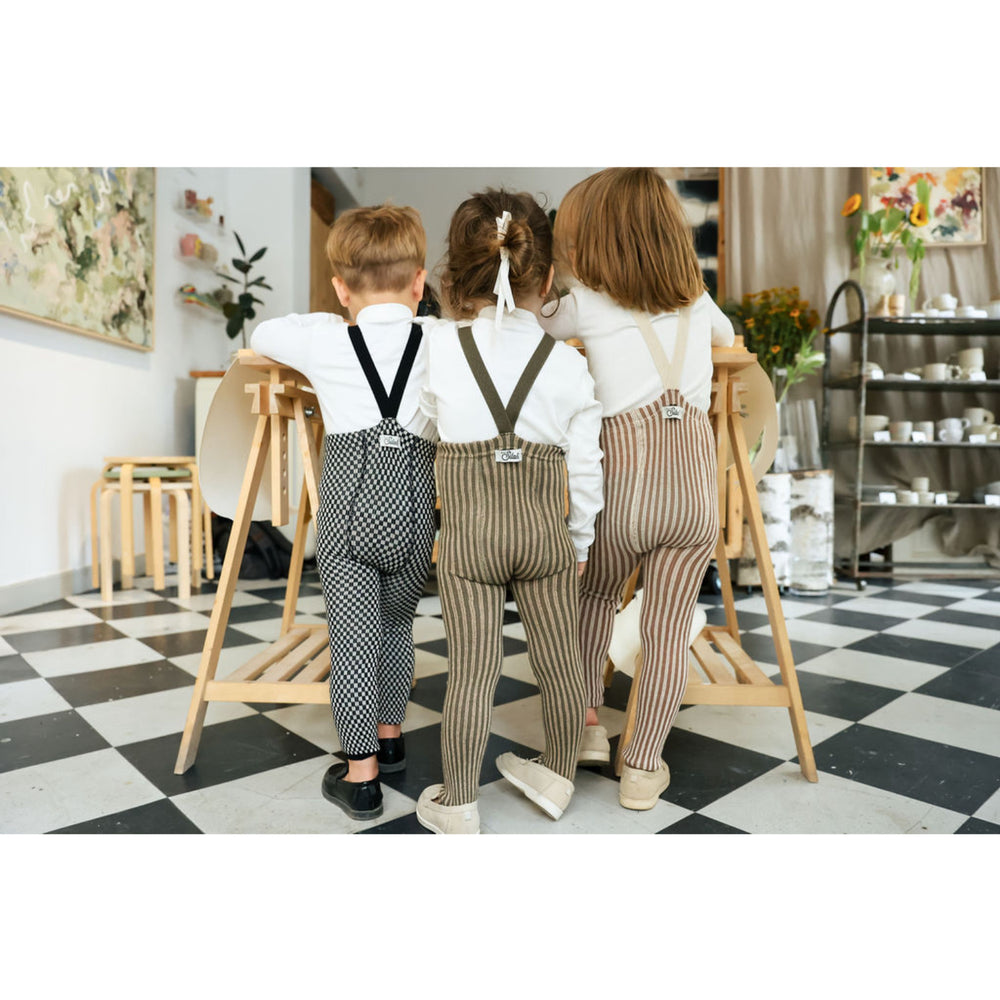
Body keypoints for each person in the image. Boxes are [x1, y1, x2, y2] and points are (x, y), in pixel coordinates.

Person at [541, 167, 734, 810]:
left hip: (621, 494)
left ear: (593, 241)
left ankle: (584, 729)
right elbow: (728, 338)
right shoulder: (697, 300)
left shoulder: (585, 302)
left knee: (594, 600)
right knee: (667, 629)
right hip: (692, 501)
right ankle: (643, 768)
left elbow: (534, 325)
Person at [415, 189, 603, 834]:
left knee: (472, 671)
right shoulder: (569, 366)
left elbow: (427, 425)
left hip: (470, 542)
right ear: (547, 280)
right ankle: (558, 774)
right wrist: (580, 543)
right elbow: (586, 470)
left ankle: (458, 802)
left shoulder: (438, 349)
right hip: (546, 538)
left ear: (454, 278)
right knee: (560, 663)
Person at [250, 203, 437, 822]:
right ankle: (391, 738)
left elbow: (264, 334)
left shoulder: (327, 338)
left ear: (340, 287)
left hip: (348, 518)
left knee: (354, 639)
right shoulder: (439, 340)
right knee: (397, 625)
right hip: (415, 517)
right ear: (419, 281)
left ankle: (361, 779)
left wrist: (338, 315)